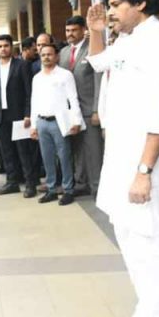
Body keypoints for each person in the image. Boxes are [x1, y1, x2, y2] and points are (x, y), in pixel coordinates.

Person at [86, 0, 159, 317]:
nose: (109, 13)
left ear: (140, 4)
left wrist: (144, 171)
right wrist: (95, 32)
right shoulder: (128, 39)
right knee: (130, 240)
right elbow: (97, 62)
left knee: (155, 245)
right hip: (121, 159)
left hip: (146, 165)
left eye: (115, 6)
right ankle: (149, 314)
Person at [0, 34, 39, 197]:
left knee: (24, 151)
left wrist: (28, 114)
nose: (3, 49)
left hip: (19, 116)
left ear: (12, 47)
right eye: (0, 46)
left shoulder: (22, 65)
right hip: (0, 116)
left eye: (6, 46)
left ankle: (30, 184)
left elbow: (29, 92)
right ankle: (12, 182)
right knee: (6, 152)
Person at [29, 42, 82, 205]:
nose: (46, 57)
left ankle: (68, 190)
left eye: (49, 54)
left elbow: (73, 99)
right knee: (47, 158)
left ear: (57, 56)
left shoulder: (65, 75)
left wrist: (76, 121)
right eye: (43, 55)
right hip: (42, 122)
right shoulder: (37, 78)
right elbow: (34, 102)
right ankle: (51, 189)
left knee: (64, 157)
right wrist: (33, 125)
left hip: (59, 122)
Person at [59, 15, 104, 197]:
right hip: (71, 112)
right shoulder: (63, 53)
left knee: (94, 150)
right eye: (67, 30)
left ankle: (97, 187)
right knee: (77, 150)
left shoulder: (92, 49)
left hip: (88, 109)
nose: (70, 34)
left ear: (83, 30)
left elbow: (99, 81)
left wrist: (96, 110)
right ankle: (81, 182)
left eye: (74, 30)